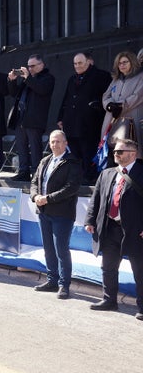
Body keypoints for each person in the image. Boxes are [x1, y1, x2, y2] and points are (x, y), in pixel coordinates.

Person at [84, 138, 143, 321]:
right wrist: (90, 220)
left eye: (120, 152)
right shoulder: (107, 173)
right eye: (115, 152)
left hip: (135, 230)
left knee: (140, 270)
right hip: (109, 228)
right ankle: (109, 300)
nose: (115, 154)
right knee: (108, 267)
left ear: (133, 154)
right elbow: (96, 199)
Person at [29, 131, 82, 299]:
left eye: (58, 141)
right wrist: (35, 196)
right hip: (43, 212)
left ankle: (64, 285)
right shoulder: (45, 160)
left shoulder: (73, 162)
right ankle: (52, 280)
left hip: (62, 213)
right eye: (52, 142)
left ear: (66, 143)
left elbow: (71, 188)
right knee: (48, 249)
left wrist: (48, 199)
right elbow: (34, 182)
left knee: (61, 250)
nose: (55, 145)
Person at [56, 53, 111, 184]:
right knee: (74, 153)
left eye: (80, 63)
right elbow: (66, 99)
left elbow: (107, 96)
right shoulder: (72, 78)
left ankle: (89, 177)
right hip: (71, 122)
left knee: (88, 151)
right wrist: (60, 117)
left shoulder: (101, 76)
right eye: (75, 64)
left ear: (89, 62)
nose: (77, 66)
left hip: (90, 123)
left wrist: (96, 107)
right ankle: (76, 177)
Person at [8, 54, 56, 181]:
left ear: (42, 65)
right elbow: (14, 93)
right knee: (21, 147)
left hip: (35, 119)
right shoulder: (27, 80)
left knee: (35, 148)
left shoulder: (47, 78)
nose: (30, 69)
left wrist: (28, 78)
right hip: (21, 118)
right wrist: (12, 80)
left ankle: (37, 174)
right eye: (28, 66)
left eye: (33, 66)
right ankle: (23, 171)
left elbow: (41, 90)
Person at [100, 51, 143, 161]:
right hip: (113, 121)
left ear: (132, 63)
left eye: (125, 62)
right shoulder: (116, 79)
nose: (122, 65)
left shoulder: (140, 77)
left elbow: (137, 96)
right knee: (113, 152)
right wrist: (109, 105)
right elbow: (106, 96)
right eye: (119, 63)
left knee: (130, 151)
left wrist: (120, 106)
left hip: (131, 120)